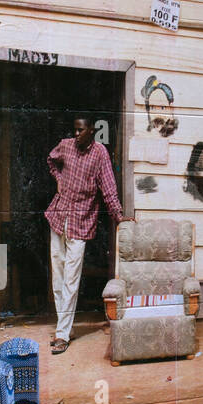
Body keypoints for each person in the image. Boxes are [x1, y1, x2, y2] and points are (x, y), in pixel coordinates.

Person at [44, 115, 133, 354]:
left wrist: (118, 216)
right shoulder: (65, 146)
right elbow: (51, 161)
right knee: (58, 275)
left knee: (71, 278)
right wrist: (59, 180)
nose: (76, 134)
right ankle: (65, 327)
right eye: (74, 130)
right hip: (58, 216)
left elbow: (108, 188)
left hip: (80, 221)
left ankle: (62, 335)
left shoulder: (100, 154)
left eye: (81, 130)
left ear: (91, 131)